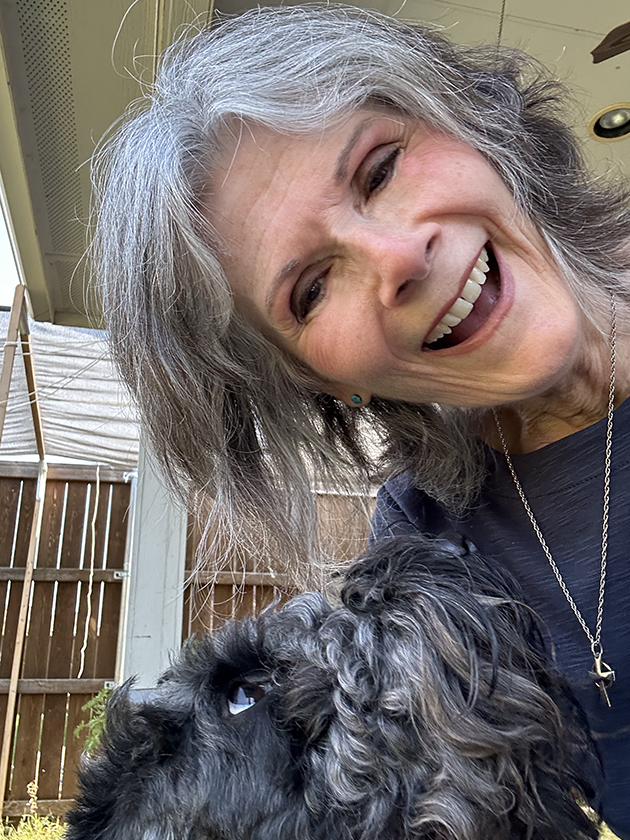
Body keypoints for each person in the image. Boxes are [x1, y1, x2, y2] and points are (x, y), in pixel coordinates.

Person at [91, 6, 630, 836]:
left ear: (474, 127)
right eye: (311, 289)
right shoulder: (428, 550)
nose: (398, 257)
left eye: (379, 171)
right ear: (321, 379)